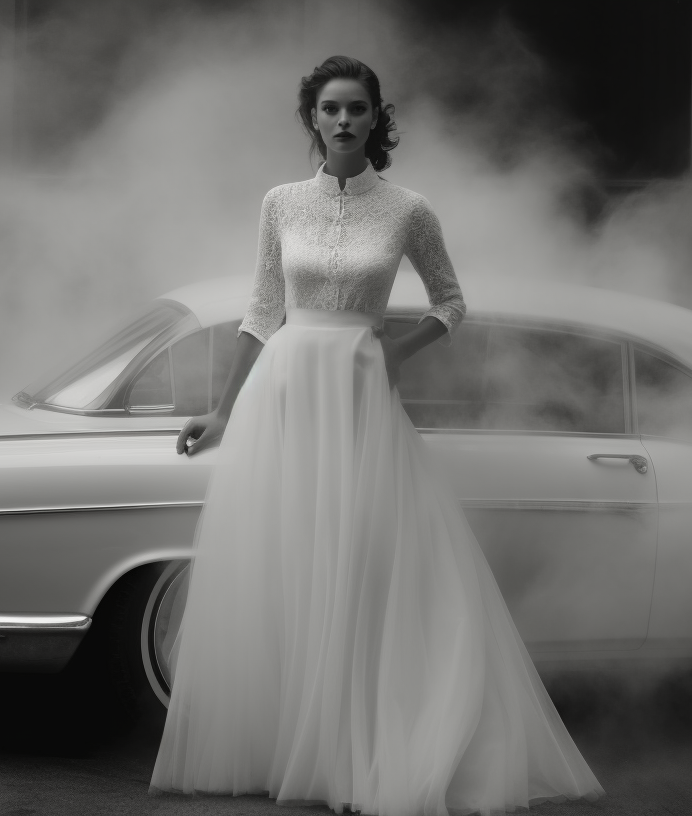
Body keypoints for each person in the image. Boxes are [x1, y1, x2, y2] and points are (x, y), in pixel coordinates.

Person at [149, 55, 603, 815]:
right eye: (330, 108)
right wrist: (224, 411)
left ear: (376, 117)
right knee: (288, 561)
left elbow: (453, 302)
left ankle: (361, 746)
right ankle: (288, 742)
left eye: (357, 108)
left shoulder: (407, 209)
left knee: (363, 564)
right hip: (287, 396)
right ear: (313, 119)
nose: (344, 121)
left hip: (360, 395)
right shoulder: (280, 203)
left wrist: (396, 348)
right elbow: (263, 311)